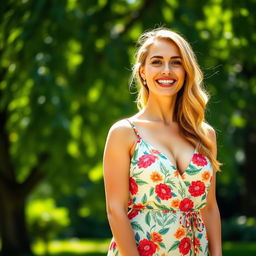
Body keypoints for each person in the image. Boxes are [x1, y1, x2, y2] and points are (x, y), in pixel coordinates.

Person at [103, 27, 222, 256]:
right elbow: (115, 209)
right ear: (142, 73)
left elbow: (209, 207)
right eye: (157, 62)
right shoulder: (125, 132)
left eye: (176, 62)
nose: (166, 70)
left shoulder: (205, 135)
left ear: (186, 71)